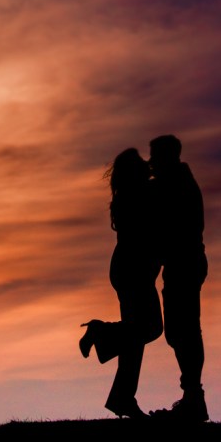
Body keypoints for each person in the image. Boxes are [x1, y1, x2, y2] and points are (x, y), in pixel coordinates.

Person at [79, 148, 163, 419]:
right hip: (133, 271)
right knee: (150, 328)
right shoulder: (139, 195)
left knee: (135, 336)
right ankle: (99, 332)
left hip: (129, 270)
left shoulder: (129, 196)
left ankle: (123, 398)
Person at [149, 134, 209, 421]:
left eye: (155, 157)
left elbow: (171, 227)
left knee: (183, 330)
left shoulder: (176, 185)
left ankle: (194, 398)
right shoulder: (174, 183)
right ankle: (192, 396)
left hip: (184, 264)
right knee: (180, 331)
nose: (151, 164)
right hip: (183, 264)